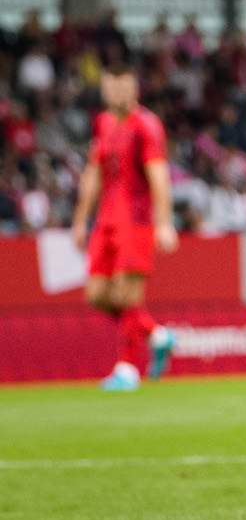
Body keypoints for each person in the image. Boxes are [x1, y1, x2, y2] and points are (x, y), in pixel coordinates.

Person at [70, 62, 178, 390]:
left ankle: (127, 369)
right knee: (97, 295)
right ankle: (157, 335)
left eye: (123, 85)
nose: (116, 92)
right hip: (106, 221)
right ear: (104, 89)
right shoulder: (102, 124)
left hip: (136, 220)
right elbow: (94, 173)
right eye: (111, 86)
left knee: (127, 295)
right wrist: (79, 220)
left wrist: (164, 223)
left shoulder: (146, 125)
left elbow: (159, 177)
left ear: (135, 88)